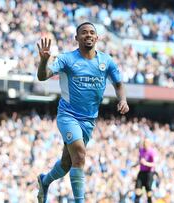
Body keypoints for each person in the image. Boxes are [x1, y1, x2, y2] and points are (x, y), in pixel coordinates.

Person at [36, 22, 129, 203]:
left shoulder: (106, 61)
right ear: (76, 38)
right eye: (84, 32)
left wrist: (123, 100)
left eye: (92, 32)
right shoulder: (66, 59)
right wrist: (43, 61)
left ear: (97, 37)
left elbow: (118, 84)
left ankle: (44, 181)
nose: (88, 35)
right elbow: (42, 76)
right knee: (79, 154)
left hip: (88, 121)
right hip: (68, 115)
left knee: (66, 163)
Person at [134, 138, 156, 203]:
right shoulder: (141, 150)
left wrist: (146, 163)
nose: (144, 144)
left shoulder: (152, 152)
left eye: (146, 142)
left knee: (148, 192)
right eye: (144, 142)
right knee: (138, 190)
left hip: (149, 173)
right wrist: (136, 164)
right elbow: (140, 159)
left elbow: (154, 164)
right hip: (142, 172)